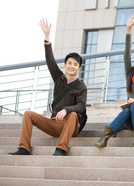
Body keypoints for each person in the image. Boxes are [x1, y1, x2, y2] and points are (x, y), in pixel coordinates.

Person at [9, 19, 87, 156]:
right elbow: (50, 60)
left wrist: (66, 110)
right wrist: (47, 38)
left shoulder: (81, 86)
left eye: (75, 64)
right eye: (70, 63)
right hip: (55, 123)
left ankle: (61, 149)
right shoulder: (58, 77)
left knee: (74, 114)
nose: (72, 66)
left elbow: (81, 106)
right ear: (65, 65)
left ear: (79, 68)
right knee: (28, 114)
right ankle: (24, 148)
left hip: (71, 126)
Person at [95, 14, 134, 147]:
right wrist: (128, 31)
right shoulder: (130, 73)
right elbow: (127, 54)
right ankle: (105, 137)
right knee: (126, 111)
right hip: (132, 118)